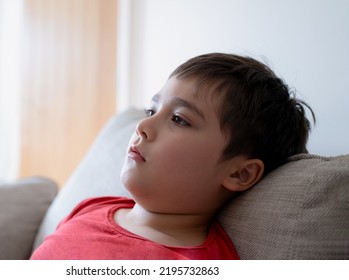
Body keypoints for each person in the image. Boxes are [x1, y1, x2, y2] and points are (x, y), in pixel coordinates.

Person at [30, 53, 315, 260]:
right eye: (151, 111)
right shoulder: (91, 208)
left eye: (179, 119)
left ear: (239, 173)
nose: (142, 127)